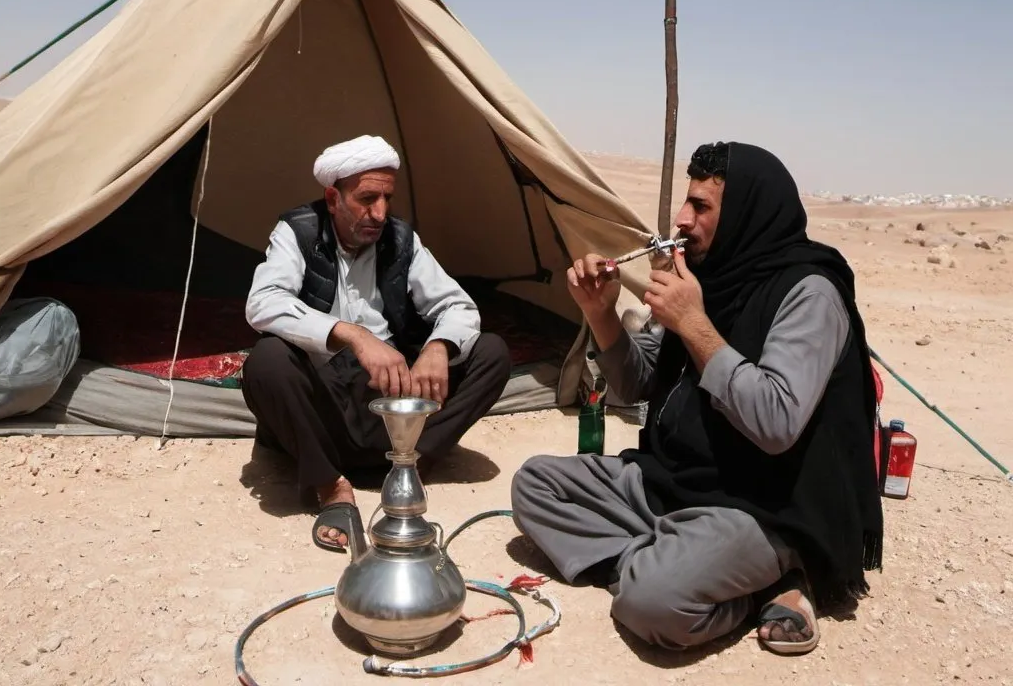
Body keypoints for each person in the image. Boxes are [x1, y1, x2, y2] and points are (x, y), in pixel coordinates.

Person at [511, 142, 883, 655]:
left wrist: (693, 323)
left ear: (747, 214)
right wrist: (600, 312)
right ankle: (673, 559)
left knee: (650, 604)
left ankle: (771, 582)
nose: (682, 219)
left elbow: (775, 422)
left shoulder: (808, 294)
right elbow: (637, 386)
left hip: (755, 503)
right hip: (671, 480)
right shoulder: (708, 273)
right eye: (686, 202)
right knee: (535, 485)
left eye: (702, 207)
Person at [241, 134, 511, 551]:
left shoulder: (401, 239)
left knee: (491, 352)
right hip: (326, 401)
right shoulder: (297, 232)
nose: (380, 213)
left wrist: (437, 348)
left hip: (391, 400)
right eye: (367, 199)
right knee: (267, 360)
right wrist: (355, 336)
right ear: (333, 198)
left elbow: (458, 306)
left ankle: (411, 466)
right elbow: (262, 303)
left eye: (386, 198)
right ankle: (330, 486)